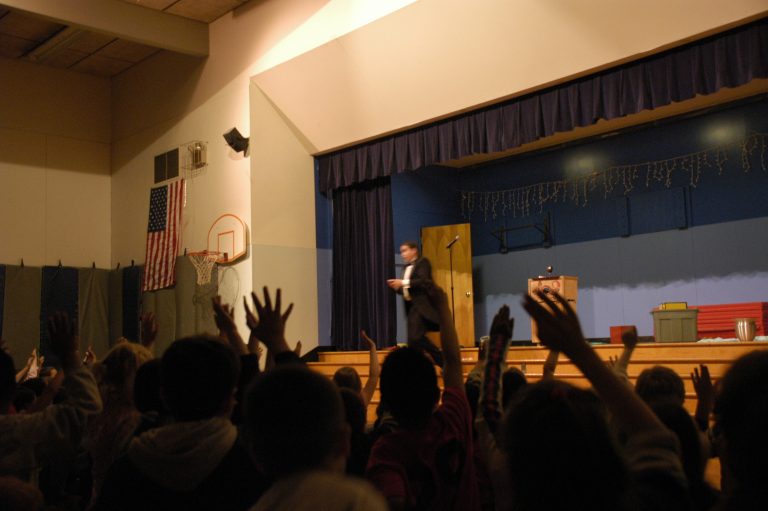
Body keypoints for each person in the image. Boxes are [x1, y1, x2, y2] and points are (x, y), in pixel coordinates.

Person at [367, 282, 480, 510]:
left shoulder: (387, 451)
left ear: (387, 401)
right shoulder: (454, 419)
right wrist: (443, 308)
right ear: (436, 393)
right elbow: (452, 361)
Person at [386, 241, 442, 364]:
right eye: (401, 251)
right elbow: (407, 289)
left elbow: (423, 281)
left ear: (414, 250)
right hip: (411, 307)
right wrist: (397, 288)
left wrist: (402, 283)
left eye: (405, 250)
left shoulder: (423, 262)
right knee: (412, 342)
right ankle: (418, 368)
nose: (403, 254)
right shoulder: (406, 267)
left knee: (416, 337)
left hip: (422, 306)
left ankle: (442, 360)